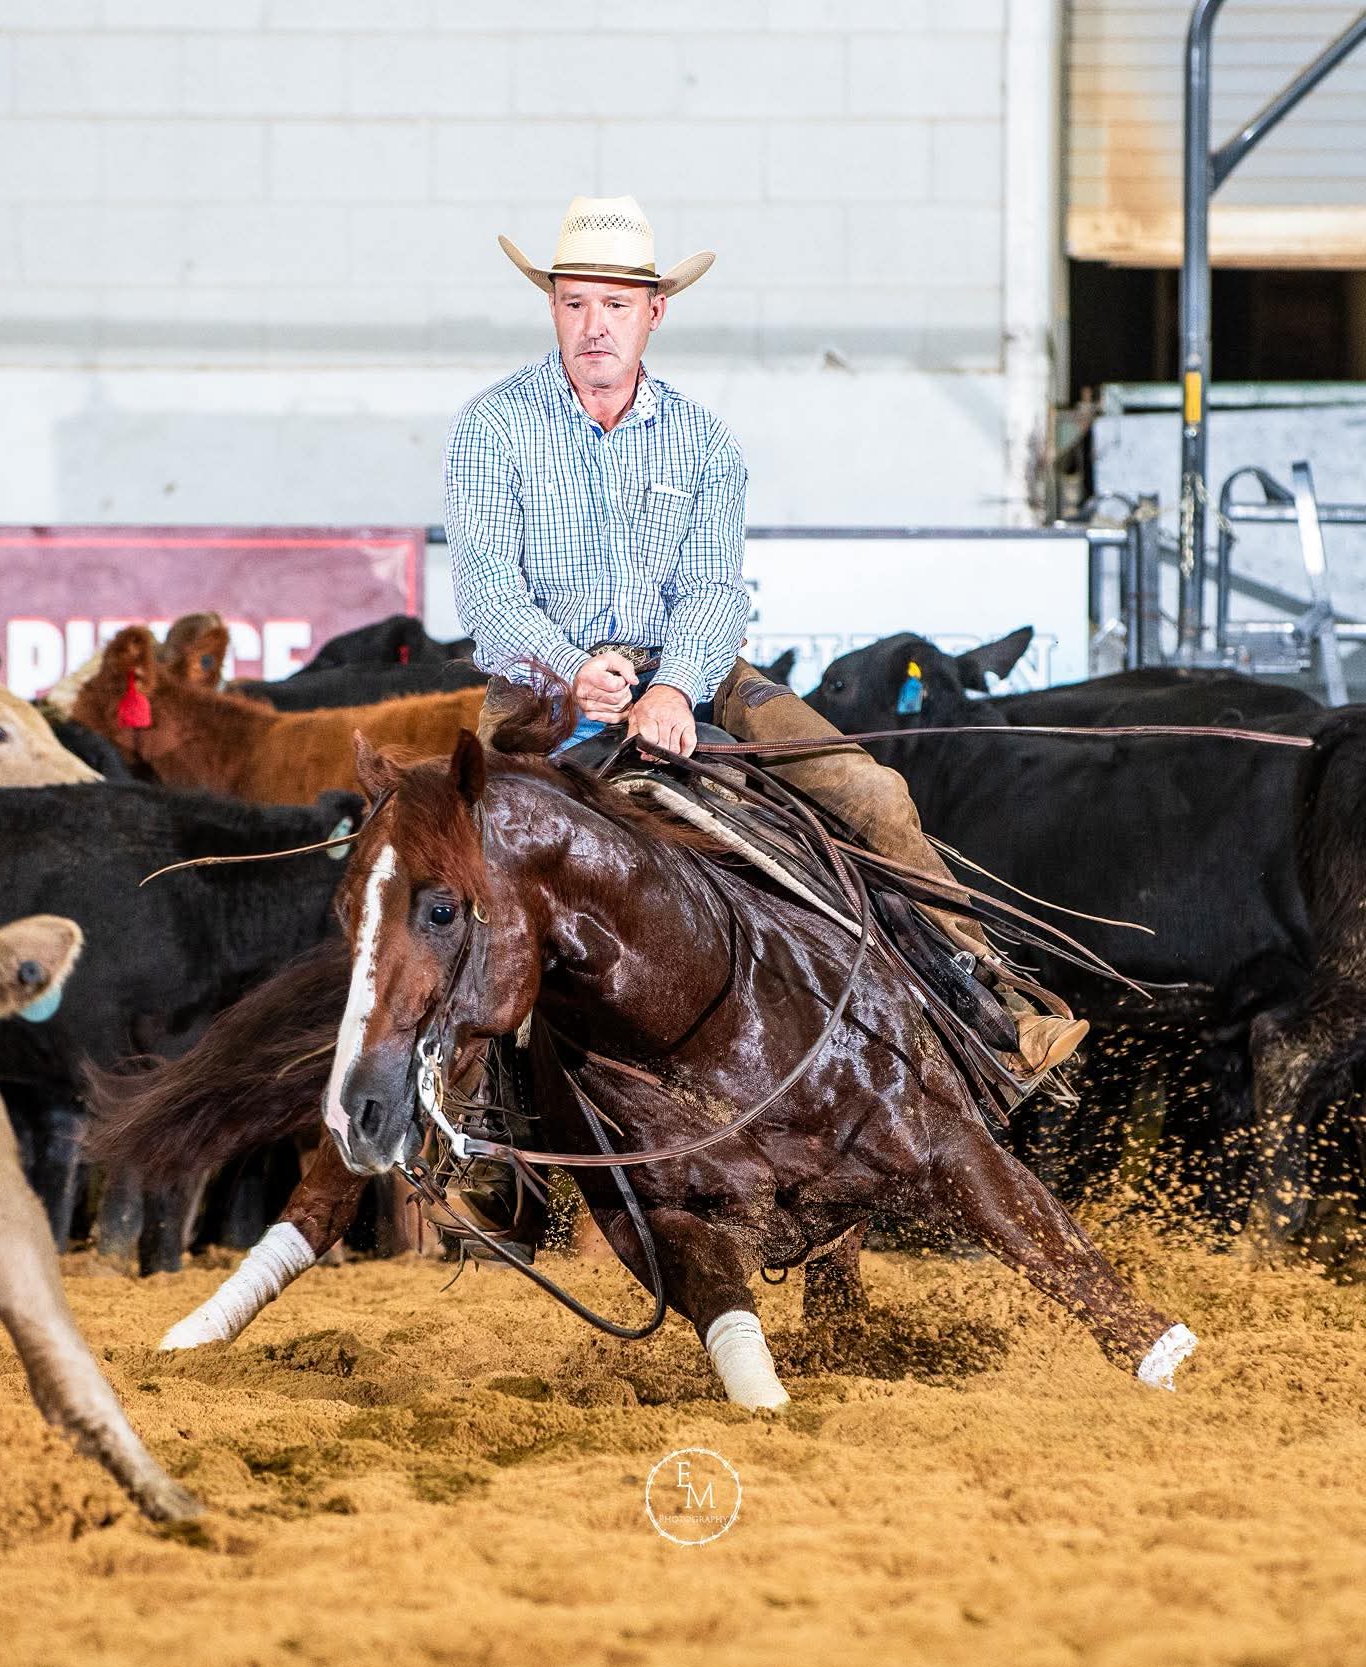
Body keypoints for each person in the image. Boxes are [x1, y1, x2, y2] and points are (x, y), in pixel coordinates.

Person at [442, 194, 1085, 1080]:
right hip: (539, 689)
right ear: (552, 305)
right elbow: (488, 589)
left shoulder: (703, 444)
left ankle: (992, 1012)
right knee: (473, 871)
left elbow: (713, 589)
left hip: (694, 671)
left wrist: (674, 687)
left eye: (617, 305)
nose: (596, 326)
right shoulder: (493, 428)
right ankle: (470, 1110)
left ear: (653, 314)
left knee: (872, 794)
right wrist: (571, 667)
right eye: (577, 302)